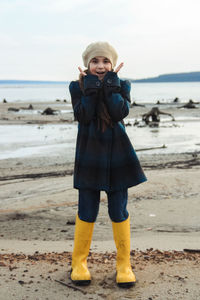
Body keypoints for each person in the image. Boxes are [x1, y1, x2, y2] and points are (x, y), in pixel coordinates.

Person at [69, 41, 147, 288]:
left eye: (105, 61)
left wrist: (111, 87)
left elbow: (119, 113)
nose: (100, 66)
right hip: (89, 155)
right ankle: (79, 263)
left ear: (113, 64)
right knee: (87, 210)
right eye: (95, 61)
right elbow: (83, 115)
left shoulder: (122, 85)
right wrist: (92, 88)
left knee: (118, 210)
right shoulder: (77, 86)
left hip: (117, 156)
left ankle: (124, 265)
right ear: (87, 64)